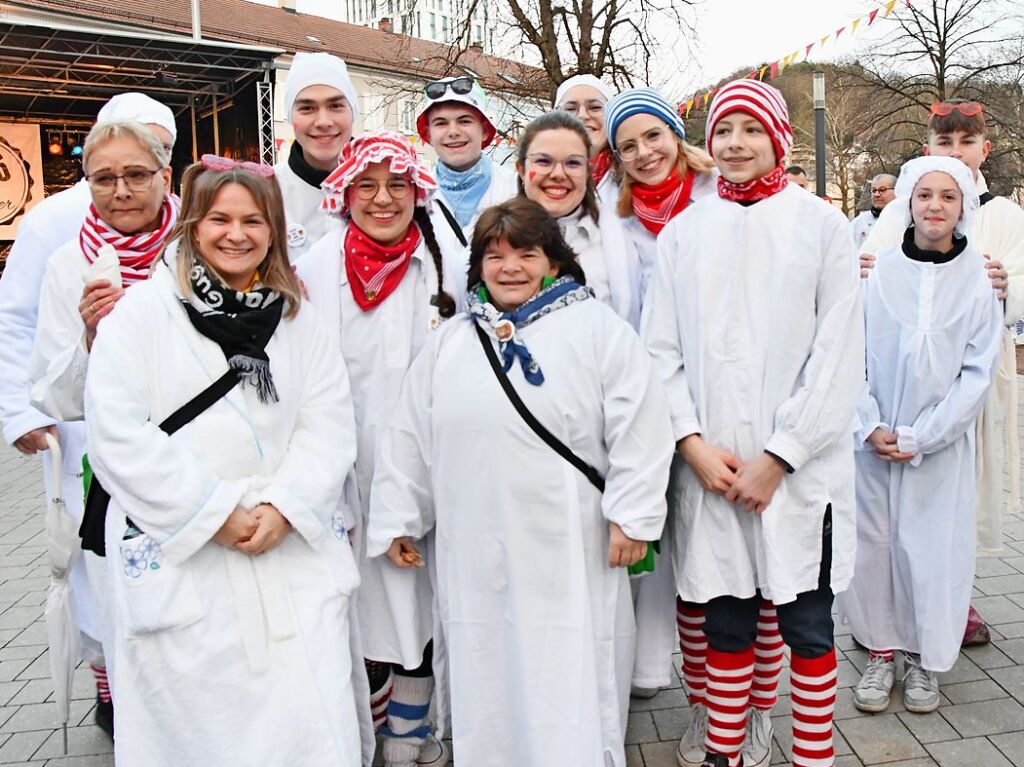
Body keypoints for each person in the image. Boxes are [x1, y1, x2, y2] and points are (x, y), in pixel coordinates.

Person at [367, 196, 673, 767]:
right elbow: (410, 434)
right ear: (477, 266)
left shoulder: (598, 330)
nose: (509, 267)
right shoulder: (452, 342)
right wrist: (400, 518)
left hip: (571, 544)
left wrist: (632, 518)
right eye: (494, 255)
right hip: (476, 548)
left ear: (553, 262)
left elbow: (643, 427)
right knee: (487, 663)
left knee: (568, 666)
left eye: (525, 254)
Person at [82, 155, 363, 766]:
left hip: (285, 550)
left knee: (306, 721)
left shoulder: (297, 319)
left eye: (253, 221)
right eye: (219, 219)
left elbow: (330, 422)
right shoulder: (140, 315)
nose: (236, 234)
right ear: (193, 227)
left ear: (273, 231)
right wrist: (212, 512)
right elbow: (116, 433)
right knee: (201, 728)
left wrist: (285, 506)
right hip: (188, 557)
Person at [642, 79, 863, 767]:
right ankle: (725, 752)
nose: (736, 143)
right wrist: (691, 444)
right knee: (728, 621)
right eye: (724, 130)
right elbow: (659, 350)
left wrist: (782, 453)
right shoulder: (684, 233)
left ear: (778, 138)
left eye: (751, 129)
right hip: (711, 473)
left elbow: (839, 353)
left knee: (806, 625)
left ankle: (813, 754)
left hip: (800, 476)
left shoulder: (820, 225)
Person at [606, 86, 783, 767]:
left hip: (739, 424)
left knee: (755, 577)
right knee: (691, 580)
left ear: (678, 137)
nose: (644, 153)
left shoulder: (728, 200)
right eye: (628, 146)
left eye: (654, 136)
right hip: (659, 424)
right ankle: (712, 707)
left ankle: (757, 711)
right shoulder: (613, 223)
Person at [298, 131, 457, 767]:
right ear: (345, 193)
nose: (383, 199)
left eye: (397, 185)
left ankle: (409, 737)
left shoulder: (448, 260)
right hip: (345, 475)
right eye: (367, 185)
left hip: (429, 474)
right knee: (359, 619)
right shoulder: (318, 268)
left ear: (418, 191)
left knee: (419, 612)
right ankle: (367, 737)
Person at [21, 111, 176, 734]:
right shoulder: (69, 265)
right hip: (109, 468)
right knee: (117, 596)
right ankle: (126, 712)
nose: (121, 191)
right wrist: (90, 337)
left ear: (165, 177)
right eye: (103, 177)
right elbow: (54, 393)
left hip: (192, 457)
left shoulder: (195, 248)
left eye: (136, 175)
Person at [858, 99, 1024, 645]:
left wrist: (1005, 286)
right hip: (899, 388)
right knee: (891, 516)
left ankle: (953, 599)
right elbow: (877, 269)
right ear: (929, 148)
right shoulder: (905, 206)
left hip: (969, 382)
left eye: (965, 143)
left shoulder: (1004, 216)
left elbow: (1017, 287)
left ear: (984, 149)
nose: (956, 152)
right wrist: (860, 266)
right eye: (945, 143)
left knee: (956, 504)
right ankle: (887, 618)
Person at [841, 156, 1002, 715]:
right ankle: (881, 653)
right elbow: (851, 355)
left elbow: (977, 373)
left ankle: (924, 661)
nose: (935, 206)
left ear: (964, 208)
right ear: (907, 202)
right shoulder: (879, 273)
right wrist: (871, 424)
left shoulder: (979, 283)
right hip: (874, 445)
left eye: (948, 197)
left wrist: (923, 435)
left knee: (932, 553)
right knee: (876, 550)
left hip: (938, 450)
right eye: (925, 195)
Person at [516, 110, 640, 328]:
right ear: (522, 169)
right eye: (543, 161)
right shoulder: (491, 239)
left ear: (587, 171)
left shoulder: (617, 241)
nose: (558, 174)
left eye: (573, 163)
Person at [417, 76, 517, 307]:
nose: (453, 131)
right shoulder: (415, 196)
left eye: (464, 121)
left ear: (484, 131)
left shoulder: (517, 189)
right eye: (441, 123)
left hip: (502, 328)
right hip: (436, 332)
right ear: (429, 135)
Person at [276, 51, 360, 260]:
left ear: (353, 112)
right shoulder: (266, 192)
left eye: (336, 106)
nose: (323, 121)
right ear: (290, 115)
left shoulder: (389, 189)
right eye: (307, 108)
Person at [555, 74, 616, 188]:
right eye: (570, 109)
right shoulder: (531, 180)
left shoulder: (638, 176)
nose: (582, 116)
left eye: (595, 107)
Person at [851, 173, 896, 247]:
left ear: (897, 190)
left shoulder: (907, 221)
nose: (876, 195)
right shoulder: (860, 222)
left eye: (882, 190)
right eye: (874, 191)